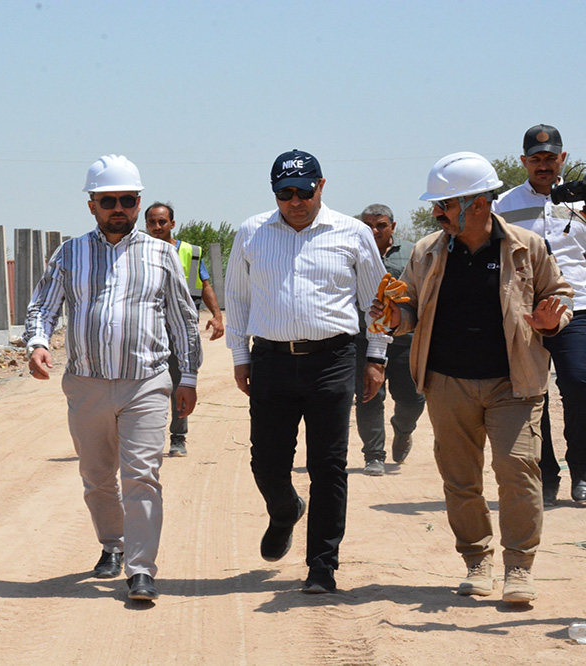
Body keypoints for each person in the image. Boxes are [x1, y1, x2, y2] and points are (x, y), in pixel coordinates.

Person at [381, 152, 572, 604]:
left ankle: (519, 567)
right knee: (460, 479)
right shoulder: (428, 252)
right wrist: (394, 316)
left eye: (446, 204)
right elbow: (407, 309)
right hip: (448, 382)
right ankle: (476, 560)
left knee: (518, 471)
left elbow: (558, 295)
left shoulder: (527, 247)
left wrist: (550, 321)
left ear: (479, 204)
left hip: (515, 381)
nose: (436, 213)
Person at [24, 155, 202, 602]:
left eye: (126, 200)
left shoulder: (161, 254)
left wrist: (190, 377)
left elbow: (183, 319)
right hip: (86, 382)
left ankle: (141, 569)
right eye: (108, 201)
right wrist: (37, 343)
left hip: (145, 382)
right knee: (98, 476)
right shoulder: (70, 253)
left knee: (142, 475)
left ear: (138, 203)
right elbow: (42, 307)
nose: (117, 208)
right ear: (92, 205)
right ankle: (113, 545)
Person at [224, 149, 388, 594]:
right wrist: (240, 356)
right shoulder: (253, 232)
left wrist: (375, 357)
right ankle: (284, 511)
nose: (295, 201)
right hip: (272, 361)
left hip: (332, 361)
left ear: (322, 186)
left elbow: (377, 302)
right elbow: (236, 299)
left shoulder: (352, 233)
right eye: (285, 193)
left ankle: (322, 566)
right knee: (267, 462)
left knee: (328, 465)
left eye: (304, 190)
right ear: (275, 193)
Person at [493, 125, 586, 505]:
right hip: (524, 313)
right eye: (536, 159)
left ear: (563, 158)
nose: (543, 165)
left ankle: (581, 472)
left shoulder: (581, 202)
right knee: (533, 395)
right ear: (524, 162)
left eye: (550, 158)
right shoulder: (504, 204)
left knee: (580, 384)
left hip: (576, 307)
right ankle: (545, 476)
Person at [144, 201, 224, 458]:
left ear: (172, 224)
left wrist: (216, 315)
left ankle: (178, 438)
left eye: (162, 222)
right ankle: (145, 439)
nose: (157, 227)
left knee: (180, 383)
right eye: (152, 223)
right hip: (147, 329)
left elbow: (205, 284)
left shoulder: (191, 252)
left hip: (180, 331)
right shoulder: (138, 251)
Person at [353, 204, 426, 476]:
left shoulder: (413, 252)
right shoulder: (352, 253)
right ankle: (374, 455)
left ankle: (403, 429)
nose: (374, 231)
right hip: (363, 338)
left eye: (381, 225)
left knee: (412, 399)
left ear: (392, 227)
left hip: (405, 339)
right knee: (368, 395)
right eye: (368, 225)